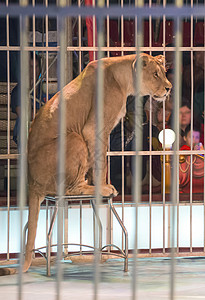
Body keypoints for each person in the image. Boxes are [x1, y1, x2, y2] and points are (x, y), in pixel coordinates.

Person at [11, 52, 42, 150]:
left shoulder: (44, 88)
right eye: (31, 67)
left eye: (36, 67)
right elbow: (24, 114)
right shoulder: (18, 90)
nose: (34, 71)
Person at [179, 123, 204, 194]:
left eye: (197, 137)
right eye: (191, 137)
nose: (194, 140)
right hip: (187, 187)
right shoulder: (183, 151)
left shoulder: (200, 151)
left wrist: (201, 153)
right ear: (185, 138)